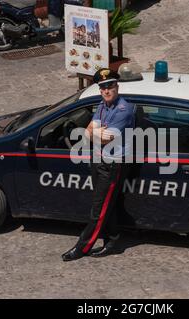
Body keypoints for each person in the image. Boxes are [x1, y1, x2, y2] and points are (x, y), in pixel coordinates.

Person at [61, 68, 135, 262]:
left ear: (117, 86)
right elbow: (89, 132)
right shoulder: (102, 106)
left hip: (112, 165)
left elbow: (105, 139)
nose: (106, 91)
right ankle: (113, 241)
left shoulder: (123, 110)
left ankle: (81, 248)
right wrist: (94, 134)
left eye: (110, 86)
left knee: (98, 210)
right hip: (98, 160)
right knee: (105, 205)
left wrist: (93, 135)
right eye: (102, 87)